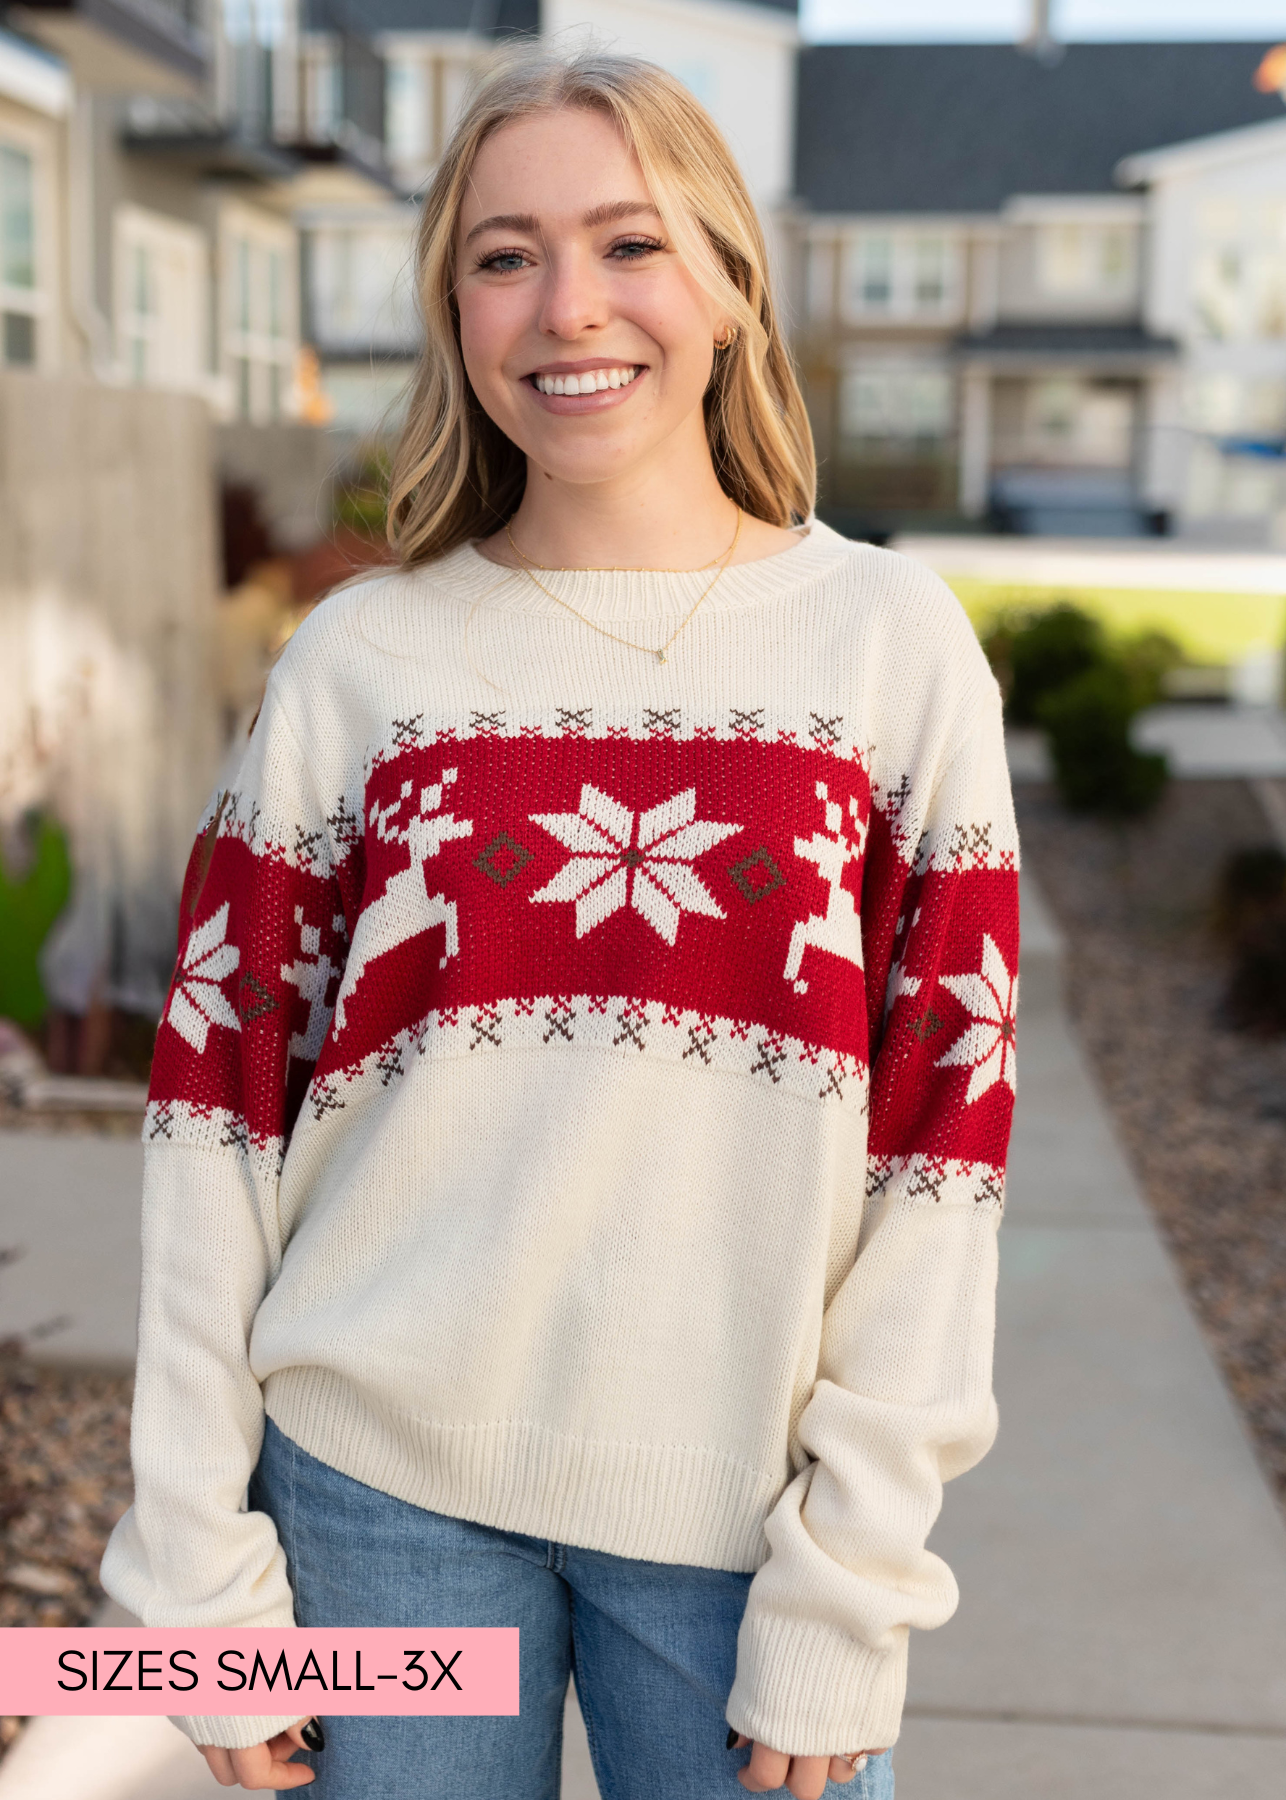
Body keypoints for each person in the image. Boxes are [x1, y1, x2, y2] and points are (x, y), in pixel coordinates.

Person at [101, 49, 1019, 1800]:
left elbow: (940, 1152)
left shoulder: (891, 645)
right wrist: (189, 1580)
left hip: (753, 1523)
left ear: (733, 285)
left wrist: (855, 1584)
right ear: (454, 311)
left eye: (628, 243)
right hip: (372, 1494)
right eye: (503, 255)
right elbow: (213, 1120)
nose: (565, 306)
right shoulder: (358, 664)